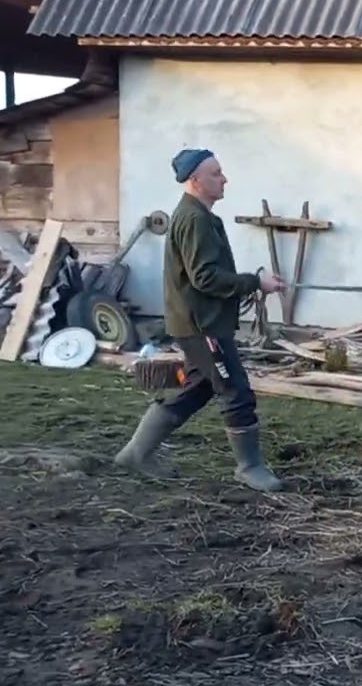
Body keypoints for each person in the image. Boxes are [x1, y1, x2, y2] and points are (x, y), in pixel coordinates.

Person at [113, 148, 288, 492]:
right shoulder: (195, 219)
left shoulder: (198, 216)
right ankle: (249, 467)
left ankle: (135, 454)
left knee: (196, 389)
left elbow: (205, 275)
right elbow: (205, 278)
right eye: (216, 173)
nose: (224, 179)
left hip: (198, 322)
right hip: (203, 325)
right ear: (195, 180)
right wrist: (255, 283)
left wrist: (255, 282)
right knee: (234, 390)